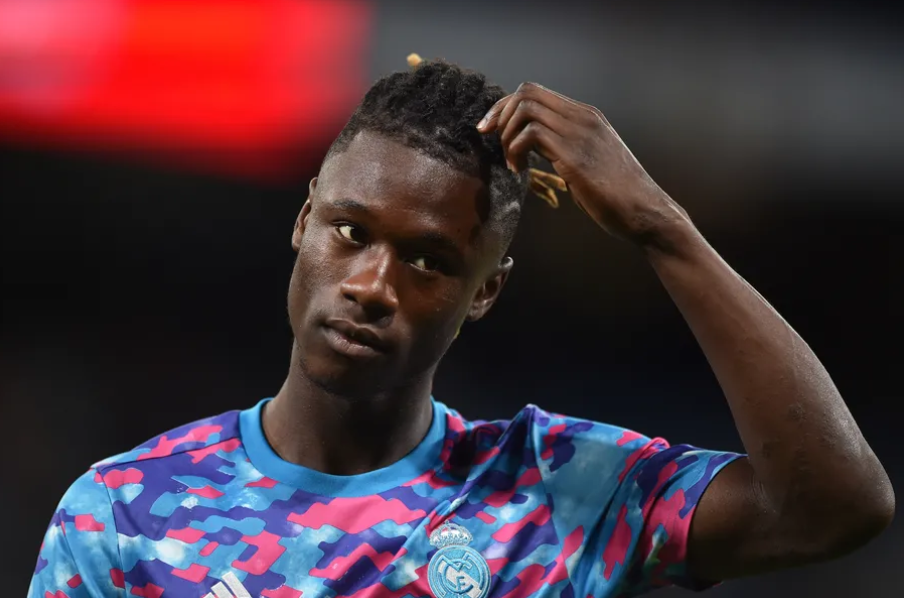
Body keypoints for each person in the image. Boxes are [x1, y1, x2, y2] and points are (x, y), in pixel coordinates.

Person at [28, 55, 893, 598]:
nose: (372, 285)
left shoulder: (562, 494)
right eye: (350, 232)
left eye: (429, 261)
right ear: (303, 221)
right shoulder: (123, 516)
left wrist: (661, 228)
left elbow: (836, 507)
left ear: (486, 292)